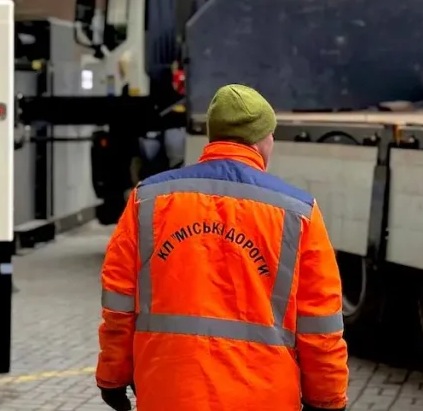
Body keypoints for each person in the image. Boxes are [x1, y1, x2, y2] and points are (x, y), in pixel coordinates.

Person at [95, 83, 349, 411]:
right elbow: (320, 322)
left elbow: (119, 304)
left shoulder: (148, 200)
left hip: (170, 394)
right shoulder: (298, 212)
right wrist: (327, 398)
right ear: (262, 139)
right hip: (264, 398)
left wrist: (113, 375)